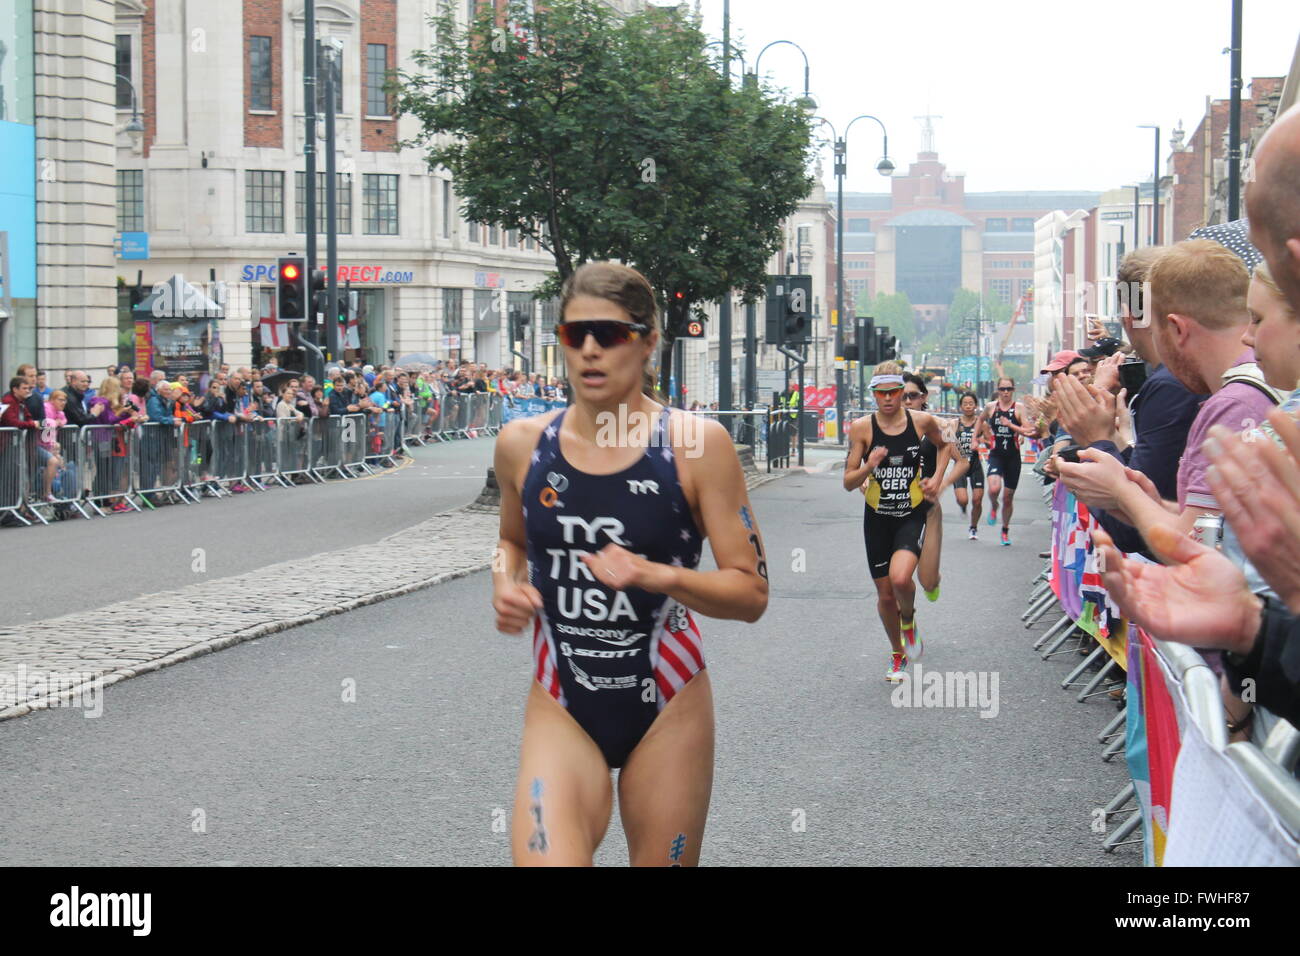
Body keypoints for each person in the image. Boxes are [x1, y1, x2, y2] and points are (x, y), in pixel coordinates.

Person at [491, 261, 768, 866]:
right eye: (573, 334)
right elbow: (510, 542)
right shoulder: (522, 444)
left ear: (647, 342)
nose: (589, 350)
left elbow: (751, 593)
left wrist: (656, 574)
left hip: (668, 702)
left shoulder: (696, 446)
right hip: (562, 699)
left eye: (610, 334)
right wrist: (503, 582)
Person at [843, 361, 950, 682]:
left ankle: (908, 619)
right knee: (886, 594)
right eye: (881, 393)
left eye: (893, 392)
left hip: (911, 513)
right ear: (873, 396)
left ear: (903, 393)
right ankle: (897, 653)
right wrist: (869, 465)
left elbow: (946, 444)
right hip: (877, 518)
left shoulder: (922, 421)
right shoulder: (862, 428)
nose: (887, 399)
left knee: (901, 579)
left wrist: (937, 479)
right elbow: (848, 482)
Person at [901, 374, 953, 601]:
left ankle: (932, 578)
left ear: (923, 397)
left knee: (927, 582)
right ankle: (907, 623)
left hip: (927, 507)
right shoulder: (884, 427)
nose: (907, 401)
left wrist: (940, 480)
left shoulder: (937, 425)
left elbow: (955, 453)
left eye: (912, 395)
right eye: (901, 396)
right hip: (894, 508)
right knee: (898, 579)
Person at [974, 376, 1037, 546]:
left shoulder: (1019, 408)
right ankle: (994, 506)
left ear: (1013, 390)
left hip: (1013, 457)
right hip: (996, 455)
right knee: (994, 489)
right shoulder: (991, 407)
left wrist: (1011, 426)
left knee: (1008, 498)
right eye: (1002, 389)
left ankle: (1005, 530)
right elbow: (979, 420)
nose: (1006, 393)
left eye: (1009, 389)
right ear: (998, 390)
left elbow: (1027, 430)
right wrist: (975, 438)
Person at [950, 390, 990, 539]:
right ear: (961, 406)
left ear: (976, 406)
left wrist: (980, 441)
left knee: (977, 500)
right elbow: (946, 443)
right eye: (965, 404)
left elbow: (991, 442)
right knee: (963, 499)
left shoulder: (982, 424)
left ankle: (973, 527)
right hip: (959, 465)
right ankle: (963, 506)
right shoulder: (955, 423)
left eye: (971, 403)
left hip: (975, 464)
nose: (968, 406)